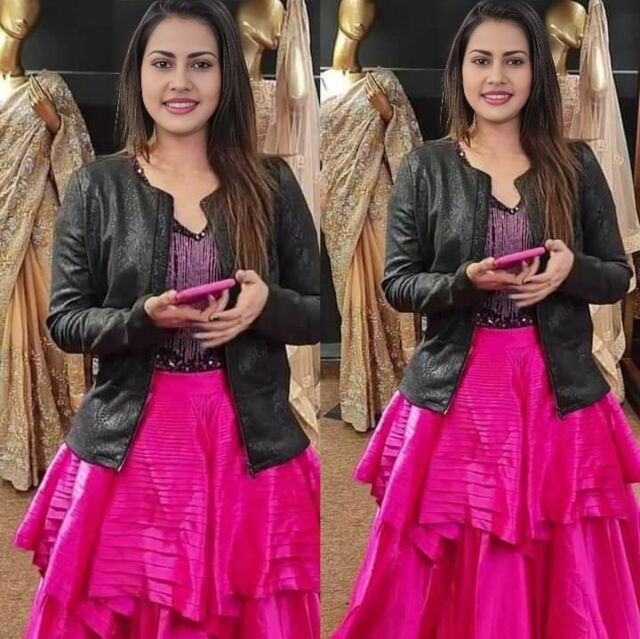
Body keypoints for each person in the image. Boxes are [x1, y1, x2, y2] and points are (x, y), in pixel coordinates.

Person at [332, 1, 640, 637]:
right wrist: (464, 282)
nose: (496, 76)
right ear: (460, 70)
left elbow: (617, 275)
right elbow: (399, 283)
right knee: (454, 533)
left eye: (514, 61)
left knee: (561, 540)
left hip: (557, 387)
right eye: (482, 60)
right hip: (456, 390)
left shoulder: (575, 164)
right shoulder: (426, 167)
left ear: (536, 73)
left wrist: (571, 270)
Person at [13, 1, 320, 636]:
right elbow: (66, 322)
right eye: (163, 64)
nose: (180, 82)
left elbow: (320, 312)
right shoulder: (97, 186)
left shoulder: (271, 182)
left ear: (226, 74)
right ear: (139, 74)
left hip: (248, 439)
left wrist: (266, 306)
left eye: (200, 64)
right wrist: (143, 318)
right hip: (131, 439)